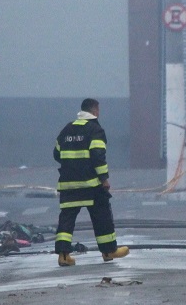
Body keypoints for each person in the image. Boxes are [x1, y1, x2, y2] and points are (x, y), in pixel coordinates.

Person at [53, 98, 130, 266]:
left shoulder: (67, 129)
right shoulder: (95, 130)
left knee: (66, 219)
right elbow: (97, 156)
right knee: (102, 215)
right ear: (95, 111)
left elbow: (57, 154)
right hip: (90, 184)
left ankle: (63, 256)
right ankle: (109, 251)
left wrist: (72, 165)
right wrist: (104, 179)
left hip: (68, 184)